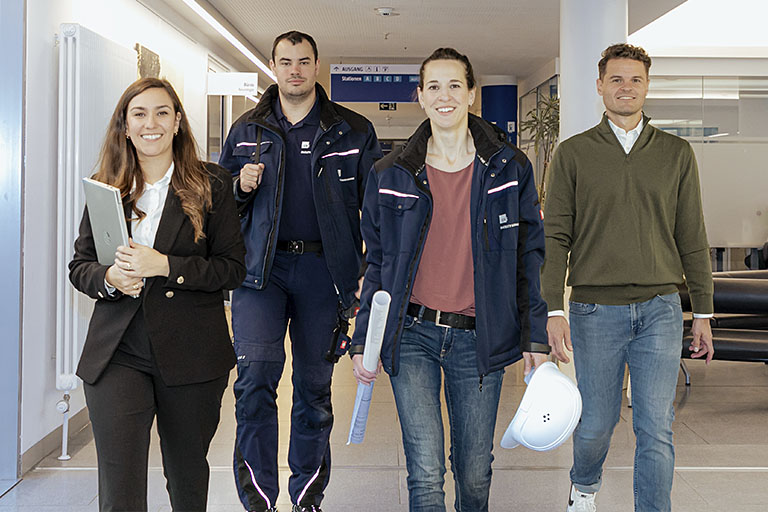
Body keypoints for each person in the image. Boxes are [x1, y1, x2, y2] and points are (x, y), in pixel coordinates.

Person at [352, 48, 549, 512]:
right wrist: (365, 340)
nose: (445, 96)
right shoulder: (390, 173)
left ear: (472, 95)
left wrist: (534, 339)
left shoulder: (509, 169)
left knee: (475, 472)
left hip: (479, 337)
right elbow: (375, 265)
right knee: (424, 473)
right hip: (413, 335)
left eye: (454, 86)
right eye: (434, 87)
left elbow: (528, 257)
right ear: (420, 96)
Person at [541, 44, 715, 512]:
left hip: (660, 307)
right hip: (594, 310)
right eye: (616, 79)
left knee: (655, 424)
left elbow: (692, 235)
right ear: (600, 86)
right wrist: (553, 308)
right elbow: (555, 236)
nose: (625, 87)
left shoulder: (676, 154)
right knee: (597, 422)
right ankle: (584, 486)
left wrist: (703, 310)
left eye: (634, 79)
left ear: (647, 86)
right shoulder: (573, 153)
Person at [218, 31, 381, 512]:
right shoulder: (246, 130)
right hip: (259, 278)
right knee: (254, 385)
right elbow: (217, 206)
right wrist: (238, 187)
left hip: (323, 274)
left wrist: (366, 273)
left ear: (316, 66)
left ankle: (307, 497)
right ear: (272, 65)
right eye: (285, 61)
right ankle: (259, 500)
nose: (294, 69)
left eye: (303, 61)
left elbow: (375, 211)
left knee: (314, 390)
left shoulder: (352, 131)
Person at [69, 77, 246, 511]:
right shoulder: (106, 186)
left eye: (162, 112)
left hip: (192, 353)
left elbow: (232, 269)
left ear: (178, 122)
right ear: (125, 127)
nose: (152, 123)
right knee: (120, 485)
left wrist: (165, 267)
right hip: (118, 352)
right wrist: (110, 278)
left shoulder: (213, 184)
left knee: (186, 477)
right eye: (139, 114)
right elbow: (81, 266)